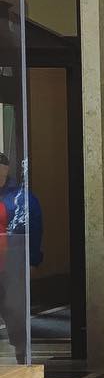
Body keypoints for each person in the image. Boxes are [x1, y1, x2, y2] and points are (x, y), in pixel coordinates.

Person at [0, 152, 43, 363]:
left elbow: (33, 229)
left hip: (11, 264)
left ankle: (21, 355)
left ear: (7, 169)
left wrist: (33, 260)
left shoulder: (21, 197)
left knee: (15, 312)